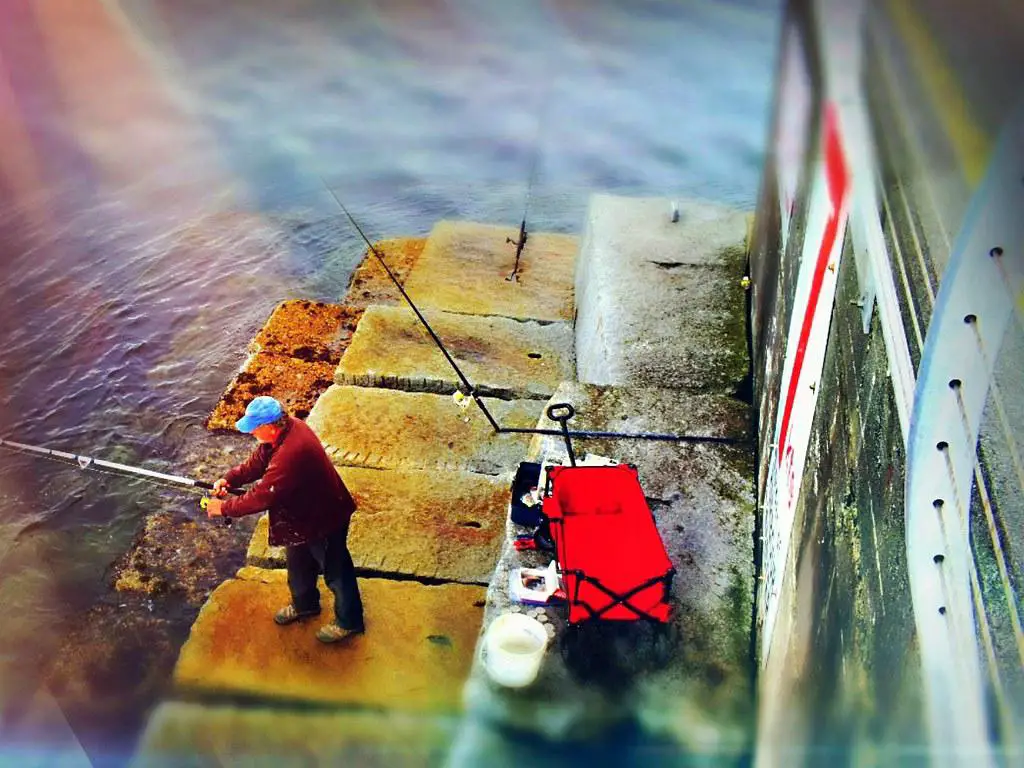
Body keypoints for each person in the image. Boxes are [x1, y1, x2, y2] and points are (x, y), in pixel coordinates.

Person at [204, 395, 365, 644]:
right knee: (298, 565)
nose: (251, 433)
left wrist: (223, 508)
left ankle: (349, 621)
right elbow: (257, 462)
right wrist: (230, 479)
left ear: (268, 427)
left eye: (254, 428)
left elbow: (262, 496)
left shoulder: (291, 452)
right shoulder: (283, 430)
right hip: (300, 517)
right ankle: (305, 605)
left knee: (336, 571)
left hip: (324, 518)